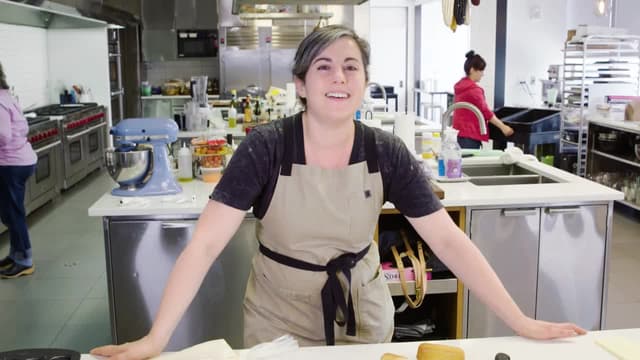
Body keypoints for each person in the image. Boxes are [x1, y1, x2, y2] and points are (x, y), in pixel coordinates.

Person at [92, 26, 585, 359]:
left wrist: (520, 321)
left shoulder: (385, 151)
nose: (339, 77)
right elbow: (203, 246)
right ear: (301, 83)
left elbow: (450, 242)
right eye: (324, 67)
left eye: (351, 67)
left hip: (364, 317)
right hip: (278, 323)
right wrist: (157, 338)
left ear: (364, 81)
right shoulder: (267, 148)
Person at [0, 62, 37, 279]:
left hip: (10, 164)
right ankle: (15, 254)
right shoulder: (6, 96)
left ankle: (24, 260)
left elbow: (3, 135)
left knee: (13, 214)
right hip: (20, 161)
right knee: (10, 212)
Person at [453, 50, 514, 149]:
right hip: (470, 135)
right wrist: (503, 127)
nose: (482, 74)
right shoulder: (474, 90)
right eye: (481, 71)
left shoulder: (460, 86)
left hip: (459, 134)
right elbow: (485, 111)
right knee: (470, 163)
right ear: (472, 70)